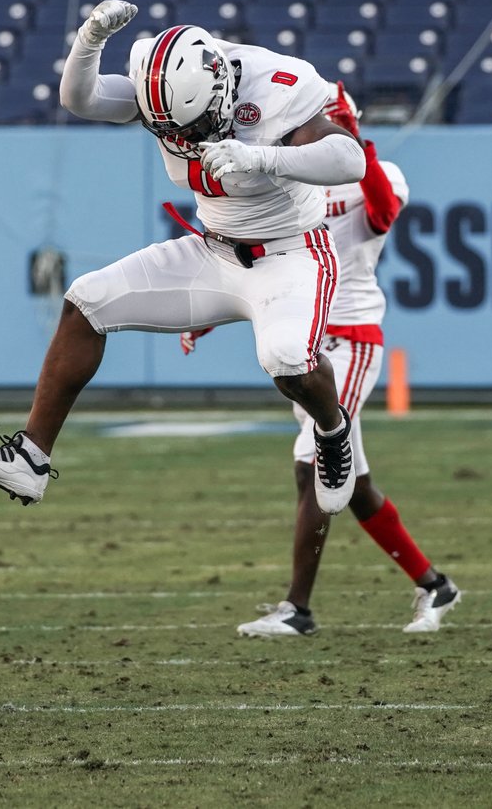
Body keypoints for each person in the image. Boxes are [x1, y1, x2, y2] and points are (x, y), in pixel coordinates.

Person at [0, 0, 367, 516]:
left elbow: (351, 160)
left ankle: (332, 427)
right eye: (176, 130)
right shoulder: (161, 89)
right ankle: (29, 460)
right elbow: (84, 99)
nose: (188, 139)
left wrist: (264, 156)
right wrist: (91, 39)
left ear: (221, 85)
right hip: (212, 249)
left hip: (291, 254)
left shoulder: (277, 84)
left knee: (284, 359)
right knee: (87, 302)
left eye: (197, 123)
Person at [182, 82, 461, 635]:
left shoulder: (378, 173)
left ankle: (298, 610)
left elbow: (380, 212)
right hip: (302, 339)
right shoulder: (288, 176)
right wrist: (209, 314)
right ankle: (436, 586)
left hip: (351, 339)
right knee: (350, 482)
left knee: (314, 463)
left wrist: (354, 139)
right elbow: (265, 255)